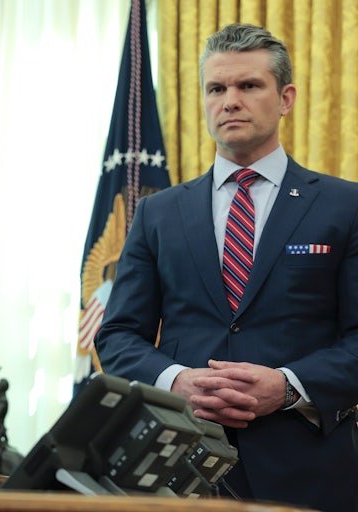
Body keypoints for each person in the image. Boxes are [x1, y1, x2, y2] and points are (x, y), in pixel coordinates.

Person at [94, 23, 358, 512]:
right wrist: (176, 380)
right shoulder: (157, 212)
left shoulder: (346, 206)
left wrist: (288, 386)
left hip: (308, 472)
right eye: (216, 89)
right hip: (179, 467)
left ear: (286, 98)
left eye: (249, 85)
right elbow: (118, 335)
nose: (230, 101)